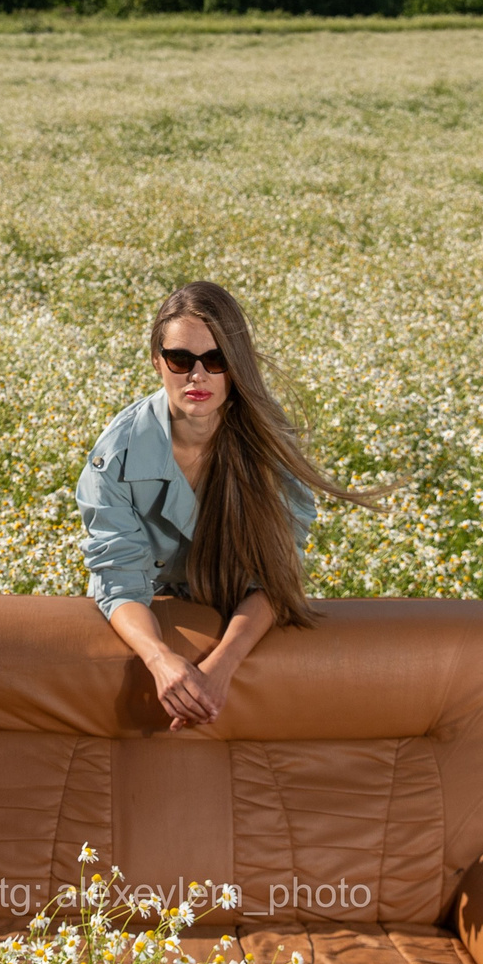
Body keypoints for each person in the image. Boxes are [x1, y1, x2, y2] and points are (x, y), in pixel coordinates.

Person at [78, 281, 381, 730]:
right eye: (181, 359)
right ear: (157, 361)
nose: (197, 377)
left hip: (237, 609)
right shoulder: (116, 456)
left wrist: (220, 668)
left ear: (236, 365)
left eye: (216, 360)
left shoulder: (270, 445)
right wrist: (161, 661)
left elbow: (276, 576)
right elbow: (119, 582)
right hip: (147, 617)